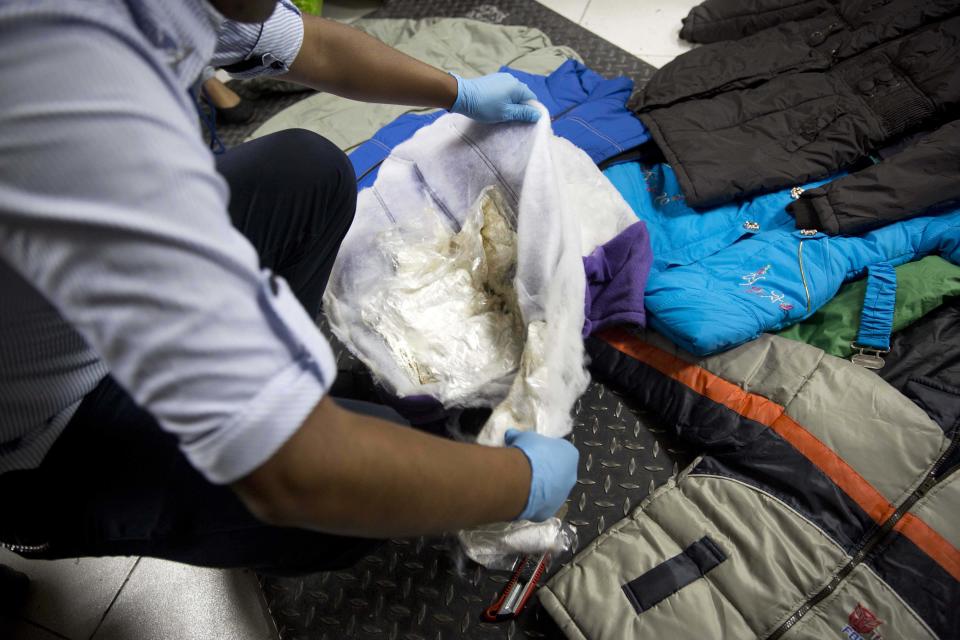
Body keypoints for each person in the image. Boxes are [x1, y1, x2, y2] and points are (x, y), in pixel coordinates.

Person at [0, 0, 578, 574]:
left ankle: (275, 378)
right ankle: (38, 520)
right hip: (46, 426)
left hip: (62, 301)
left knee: (308, 171)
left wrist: (458, 91)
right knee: (352, 490)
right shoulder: (77, 103)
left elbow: (315, 45)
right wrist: (523, 484)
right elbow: (297, 475)